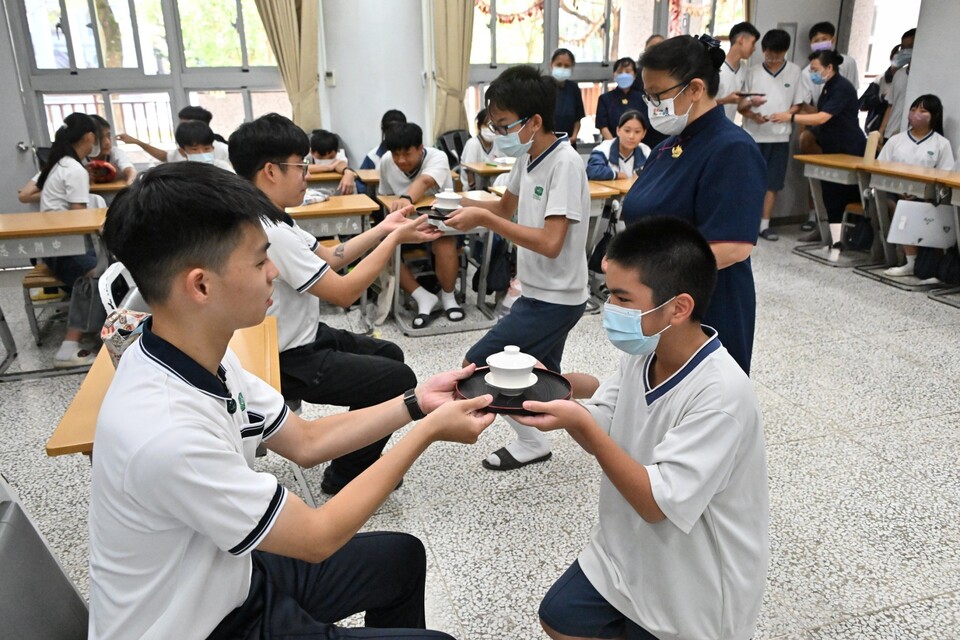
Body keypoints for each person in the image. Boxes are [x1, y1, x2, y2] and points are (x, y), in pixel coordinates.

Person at [90, 161, 495, 639]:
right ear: (200, 285)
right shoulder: (167, 433)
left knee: (400, 558)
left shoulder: (196, 352)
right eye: (259, 261)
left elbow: (304, 440)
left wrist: (417, 402)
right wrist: (426, 432)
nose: (274, 272)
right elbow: (317, 537)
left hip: (227, 576)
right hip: (197, 627)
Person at [518, 216, 769, 640]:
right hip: (626, 548)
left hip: (694, 579)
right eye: (608, 294)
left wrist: (580, 422)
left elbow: (657, 504)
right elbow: (606, 420)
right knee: (558, 617)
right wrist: (558, 397)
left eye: (622, 297)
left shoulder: (721, 394)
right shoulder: (644, 353)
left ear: (679, 307)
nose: (610, 309)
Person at [229, 113, 443, 496]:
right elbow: (344, 292)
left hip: (305, 336)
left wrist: (384, 227)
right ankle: (345, 476)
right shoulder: (269, 230)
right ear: (271, 171)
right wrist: (393, 241)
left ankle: (356, 452)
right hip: (287, 357)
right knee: (397, 380)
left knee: (389, 354)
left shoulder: (272, 216)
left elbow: (330, 258)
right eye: (301, 166)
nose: (307, 175)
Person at [446, 65, 590, 471]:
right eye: (493, 124)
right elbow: (503, 207)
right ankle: (599, 402)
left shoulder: (564, 164)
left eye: (504, 124)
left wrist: (484, 220)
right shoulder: (527, 158)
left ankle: (533, 441)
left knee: (479, 365)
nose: (497, 133)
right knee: (543, 376)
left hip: (556, 298)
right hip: (538, 291)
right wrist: (450, 206)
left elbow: (550, 242)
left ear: (534, 122)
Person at [620, 35, 766, 376]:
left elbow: (734, 247)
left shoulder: (731, 149)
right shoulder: (667, 146)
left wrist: (648, 272)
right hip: (658, 300)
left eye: (658, 95)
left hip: (705, 305)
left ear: (696, 88)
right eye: (647, 95)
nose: (652, 105)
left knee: (700, 394)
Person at [770, 50, 866, 251]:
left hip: (848, 148)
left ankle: (839, 241)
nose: (813, 74)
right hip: (831, 147)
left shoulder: (842, 87)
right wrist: (800, 107)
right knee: (829, 194)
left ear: (829, 67)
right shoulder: (828, 87)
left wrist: (791, 117)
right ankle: (827, 235)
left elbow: (822, 117)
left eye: (815, 69)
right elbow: (819, 113)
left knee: (839, 196)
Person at [35, 112, 107, 367]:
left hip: (58, 246)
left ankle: (97, 330)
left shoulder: (61, 164)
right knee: (98, 274)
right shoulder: (74, 169)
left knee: (107, 266)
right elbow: (79, 219)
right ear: (89, 137)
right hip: (65, 247)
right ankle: (69, 346)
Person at [379, 122, 462, 328]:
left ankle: (448, 297)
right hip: (406, 225)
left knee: (444, 243)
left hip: (440, 223)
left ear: (420, 148)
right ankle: (422, 296)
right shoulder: (386, 161)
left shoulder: (437, 157)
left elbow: (425, 182)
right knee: (383, 247)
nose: (401, 160)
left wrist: (406, 198)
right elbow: (385, 195)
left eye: (407, 154)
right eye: (396, 155)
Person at [739, 28, 804, 242]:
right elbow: (740, 105)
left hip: (780, 137)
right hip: (753, 135)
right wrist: (753, 115)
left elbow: (798, 103)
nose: (773, 58)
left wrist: (787, 115)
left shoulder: (795, 71)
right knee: (749, 182)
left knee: (773, 183)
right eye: (769, 54)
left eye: (778, 54)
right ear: (763, 50)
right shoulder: (753, 72)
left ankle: (765, 225)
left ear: (785, 51)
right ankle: (746, 223)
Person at [879, 95, 955, 278]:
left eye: (923, 111)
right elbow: (880, 168)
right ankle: (908, 260)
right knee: (893, 204)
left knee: (910, 208)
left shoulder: (941, 143)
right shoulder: (896, 140)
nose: (916, 114)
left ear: (934, 116)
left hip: (926, 195)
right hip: (895, 191)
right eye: (913, 109)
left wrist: (919, 193)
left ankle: (914, 262)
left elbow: (945, 176)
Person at [18, 114, 136, 204]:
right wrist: (69, 191)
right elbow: (24, 195)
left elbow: (130, 170)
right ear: (89, 138)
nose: (107, 142)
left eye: (108, 136)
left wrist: (130, 184)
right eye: (100, 137)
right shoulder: (67, 165)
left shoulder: (114, 153)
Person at [117, 104, 231, 164]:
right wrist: (138, 142)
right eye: (194, 149)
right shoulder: (183, 149)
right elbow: (165, 157)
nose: (181, 129)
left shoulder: (223, 150)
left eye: (184, 124)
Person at [798, 21, 861, 106]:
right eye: (816, 40)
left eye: (824, 39)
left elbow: (853, 91)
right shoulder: (806, 73)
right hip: (821, 110)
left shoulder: (848, 63)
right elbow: (805, 103)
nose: (820, 43)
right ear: (811, 44)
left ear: (833, 40)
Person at [585, 110, 651, 180]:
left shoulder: (646, 151)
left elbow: (655, 172)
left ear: (644, 134)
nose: (631, 136)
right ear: (618, 130)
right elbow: (592, 170)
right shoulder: (603, 149)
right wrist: (616, 175)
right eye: (627, 131)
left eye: (637, 132)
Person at [630, 34, 669, 149]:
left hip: (665, 125)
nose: (656, 52)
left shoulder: (672, 74)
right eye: (652, 48)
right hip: (642, 128)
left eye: (660, 48)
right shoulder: (637, 75)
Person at [716, 21, 760, 121]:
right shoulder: (716, 66)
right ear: (741, 40)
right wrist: (725, 100)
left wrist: (751, 102)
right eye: (753, 43)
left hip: (727, 125)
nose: (754, 48)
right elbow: (700, 104)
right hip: (709, 125)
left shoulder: (743, 68)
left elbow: (738, 105)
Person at [878, 28, 917, 142]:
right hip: (890, 134)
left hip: (909, 135)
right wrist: (881, 131)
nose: (905, 51)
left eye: (910, 47)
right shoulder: (899, 74)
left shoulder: (922, 77)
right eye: (903, 48)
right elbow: (891, 105)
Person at [596, 57, 645, 140]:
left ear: (635, 75)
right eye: (619, 72)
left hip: (637, 143)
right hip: (611, 143)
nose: (624, 75)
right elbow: (602, 126)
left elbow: (644, 124)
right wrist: (614, 145)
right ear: (614, 75)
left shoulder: (642, 98)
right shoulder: (605, 98)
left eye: (628, 72)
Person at [459, 108, 509, 190]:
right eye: (487, 125)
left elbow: (505, 163)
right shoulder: (473, 144)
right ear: (479, 126)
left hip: (493, 188)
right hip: (475, 189)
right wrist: (472, 189)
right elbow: (468, 170)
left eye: (494, 126)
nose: (490, 129)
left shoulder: (497, 143)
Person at [308, 128, 363, 195]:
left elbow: (342, 165)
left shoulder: (339, 156)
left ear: (337, 151)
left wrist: (348, 173)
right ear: (311, 152)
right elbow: (302, 167)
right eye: (320, 157)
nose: (326, 160)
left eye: (331, 157)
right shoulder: (307, 158)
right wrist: (329, 167)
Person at [549, 48, 585, 146]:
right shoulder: (543, 85)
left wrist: (574, 136)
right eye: (559, 65)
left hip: (568, 142)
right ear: (551, 64)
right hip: (547, 143)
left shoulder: (574, 88)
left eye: (567, 66)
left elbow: (577, 118)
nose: (562, 68)